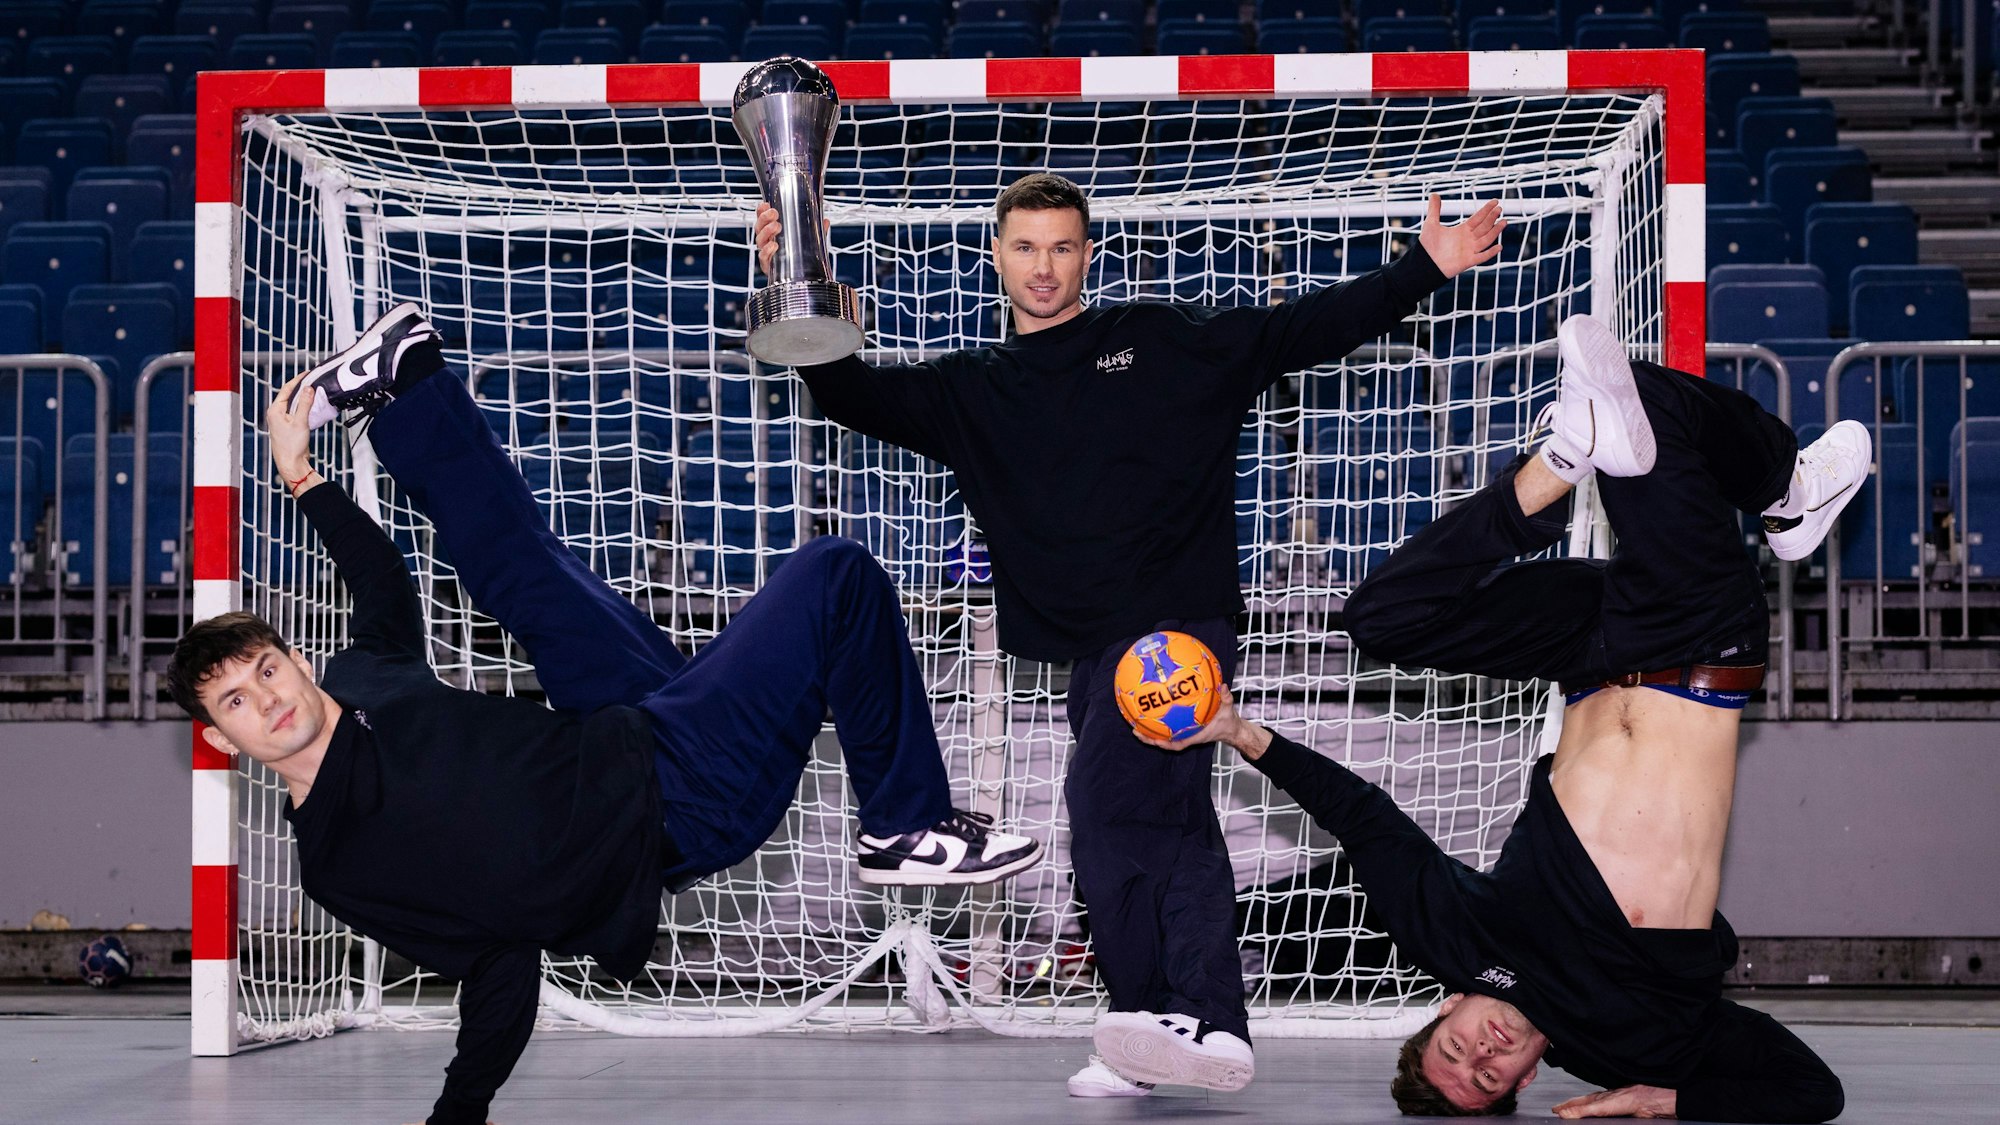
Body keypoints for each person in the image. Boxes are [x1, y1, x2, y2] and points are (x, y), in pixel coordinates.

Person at [165, 304, 1042, 1125]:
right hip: (671, 801)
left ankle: (404, 379)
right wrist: (458, 1113)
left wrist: (300, 474)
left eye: (268, 668)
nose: (271, 699)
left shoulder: (360, 678)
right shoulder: (338, 859)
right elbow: (492, 959)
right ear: (220, 737)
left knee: (521, 567)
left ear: (297, 659)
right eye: (238, 699)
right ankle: (905, 824)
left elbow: (382, 582)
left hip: (611, 722)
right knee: (835, 575)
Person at [755, 173, 1505, 1095]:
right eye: (1025, 246)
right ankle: (1159, 1031)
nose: (1044, 266)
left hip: (1172, 633)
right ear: (997, 254)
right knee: (1164, 819)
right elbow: (854, 398)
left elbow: (1293, 333)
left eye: (1063, 247)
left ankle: (1196, 1019)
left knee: (1116, 813)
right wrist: (803, 291)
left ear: (1088, 254)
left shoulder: (1156, 341)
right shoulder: (974, 389)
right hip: (1090, 652)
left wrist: (1420, 269)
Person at [1143, 315, 1862, 1121]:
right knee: (1641, 407)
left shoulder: (1456, 942)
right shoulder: (1633, 1038)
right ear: (1524, 1081)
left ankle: (1559, 465)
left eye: (1457, 1048)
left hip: (1587, 649)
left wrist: (1242, 734)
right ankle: (1786, 491)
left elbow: (1365, 823)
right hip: (1697, 643)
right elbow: (1812, 1090)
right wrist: (1672, 1097)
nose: (1482, 1051)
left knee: (1383, 617)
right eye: (1489, 1076)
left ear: (1446, 1008)